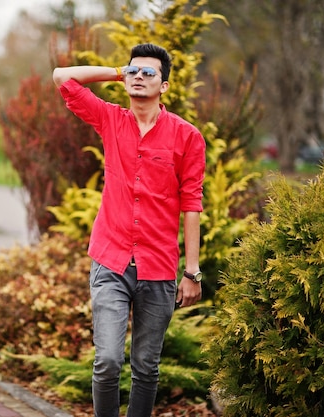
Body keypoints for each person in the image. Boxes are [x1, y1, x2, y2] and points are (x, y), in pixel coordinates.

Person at [52, 43, 206, 417]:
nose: (139, 77)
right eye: (133, 71)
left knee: (146, 368)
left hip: (158, 266)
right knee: (106, 360)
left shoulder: (187, 137)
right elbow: (62, 77)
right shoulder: (111, 119)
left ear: (164, 86)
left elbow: (192, 205)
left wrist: (192, 271)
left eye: (149, 72)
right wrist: (117, 71)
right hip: (111, 260)